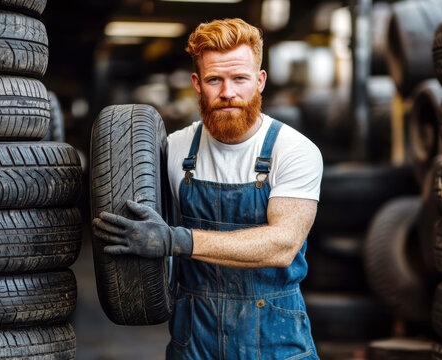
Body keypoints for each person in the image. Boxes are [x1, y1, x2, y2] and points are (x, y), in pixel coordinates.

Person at [92, 18, 323, 359]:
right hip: (195, 336)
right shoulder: (174, 149)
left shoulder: (292, 150)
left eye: (240, 79)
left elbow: (282, 245)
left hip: (275, 336)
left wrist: (176, 240)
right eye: (215, 79)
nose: (228, 92)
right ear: (197, 84)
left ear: (259, 82)